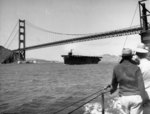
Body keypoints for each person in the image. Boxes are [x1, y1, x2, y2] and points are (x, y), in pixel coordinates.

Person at [110, 48, 149, 114]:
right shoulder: (136, 68)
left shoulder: (116, 68)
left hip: (124, 98)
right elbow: (141, 86)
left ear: (122, 56)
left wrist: (111, 91)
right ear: (131, 56)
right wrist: (145, 99)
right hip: (136, 98)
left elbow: (114, 86)